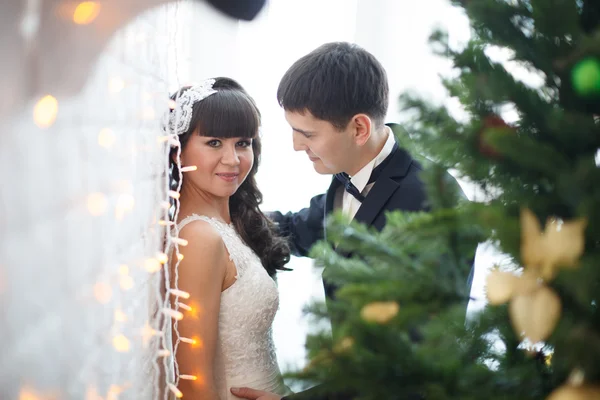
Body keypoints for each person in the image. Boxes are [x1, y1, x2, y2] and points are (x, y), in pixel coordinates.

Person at [231, 42, 474, 400]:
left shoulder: (433, 204)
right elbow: (300, 228)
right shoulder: (352, 169)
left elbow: (407, 360)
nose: (297, 145)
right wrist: (220, 217)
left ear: (359, 128)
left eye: (308, 133)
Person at [164, 77, 291, 400]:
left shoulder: (230, 225)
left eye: (243, 142)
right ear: (178, 150)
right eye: (215, 143)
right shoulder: (198, 238)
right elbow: (192, 383)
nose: (233, 159)